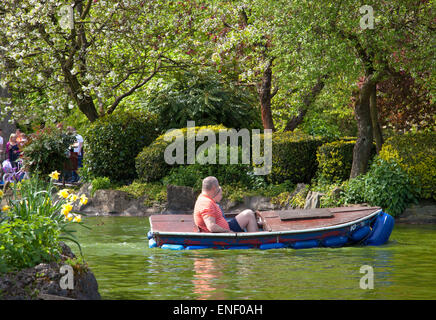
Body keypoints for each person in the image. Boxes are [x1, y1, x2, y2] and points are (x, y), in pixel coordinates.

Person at [193, 176, 260, 233]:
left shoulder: (203, 197)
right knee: (250, 215)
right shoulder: (206, 203)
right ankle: (256, 241)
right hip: (224, 234)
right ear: (214, 188)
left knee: (248, 214)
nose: (219, 188)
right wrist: (228, 232)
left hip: (225, 227)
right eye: (217, 186)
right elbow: (211, 226)